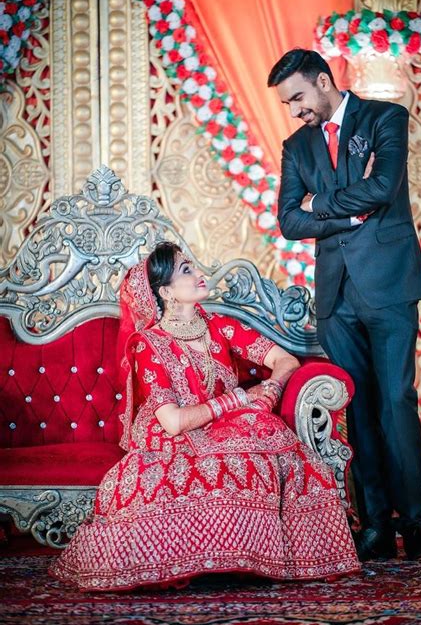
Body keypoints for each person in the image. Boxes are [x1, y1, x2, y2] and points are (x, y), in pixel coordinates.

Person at [50, 242, 359, 591]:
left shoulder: (221, 327)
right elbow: (173, 422)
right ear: (165, 291)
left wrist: (271, 389)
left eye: (194, 266)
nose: (199, 274)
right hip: (175, 436)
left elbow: (285, 361)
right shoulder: (149, 344)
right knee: (188, 470)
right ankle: (203, 560)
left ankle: (247, 558)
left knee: (271, 439)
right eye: (186, 270)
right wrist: (238, 399)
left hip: (229, 427)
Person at [267, 48, 421, 562]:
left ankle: (415, 524)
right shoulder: (296, 146)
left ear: (324, 81)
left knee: (395, 401)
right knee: (358, 409)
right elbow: (288, 221)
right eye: (288, 103)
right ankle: (375, 525)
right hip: (336, 294)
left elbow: (384, 186)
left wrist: (319, 204)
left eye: (299, 97)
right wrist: (350, 212)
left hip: (389, 283)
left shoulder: (385, 117)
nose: (296, 110)